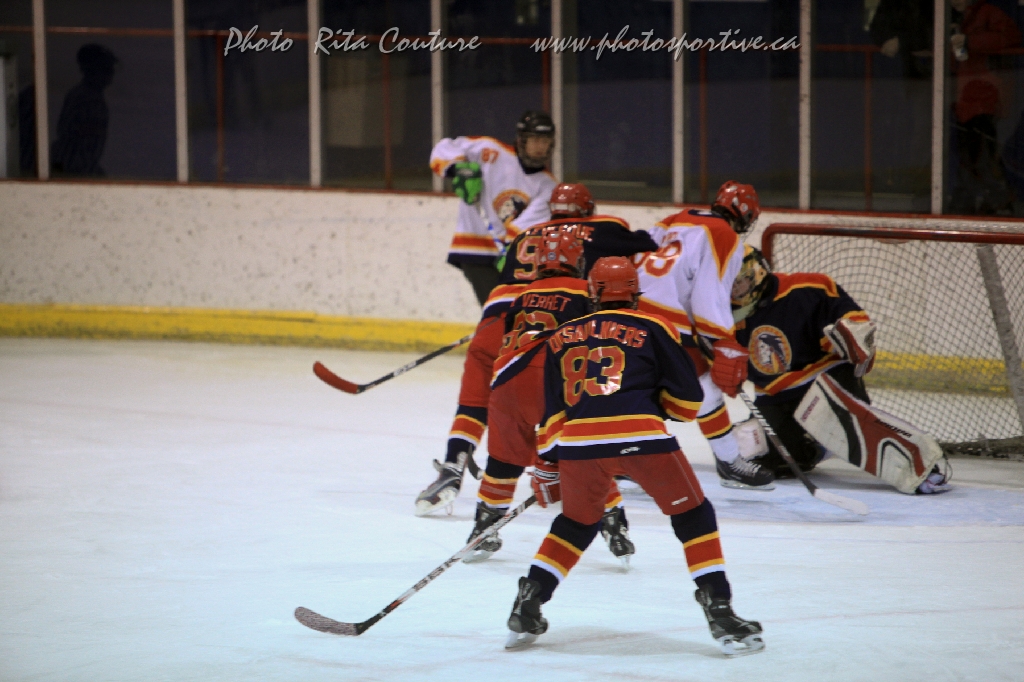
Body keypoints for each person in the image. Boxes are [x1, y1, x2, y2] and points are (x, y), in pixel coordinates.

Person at [505, 257, 765, 656]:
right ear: (634, 292)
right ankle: (718, 605)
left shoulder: (559, 337)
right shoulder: (655, 326)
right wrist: (658, 407)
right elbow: (689, 400)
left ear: (593, 293)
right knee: (694, 515)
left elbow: (554, 412)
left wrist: (549, 464)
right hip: (641, 438)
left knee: (576, 523)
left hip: (578, 445)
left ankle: (530, 597)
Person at [415, 183, 657, 521]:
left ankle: (453, 464)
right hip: (551, 319)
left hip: (501, 316)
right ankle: (568, 465)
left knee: (475, 400)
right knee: (558, 397)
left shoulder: (524, 234)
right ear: (587, 208)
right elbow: (650, 246)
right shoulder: (604, 227)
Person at [463, 224, 640, 565]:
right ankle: (614, 524)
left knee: (503, 461)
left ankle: (484, 526)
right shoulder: (584, 290)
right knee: (588, 455)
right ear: (578, 261)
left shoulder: (522, 294)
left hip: (506, 384)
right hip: (553, 383)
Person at [730, 246, 950, 494]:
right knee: (749, 448)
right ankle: (818, 448)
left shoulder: (808, 289)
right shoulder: (721, 311)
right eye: (727, 284)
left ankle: (920, 466)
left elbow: (856, 326)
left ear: (758, 273)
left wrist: (855, 337)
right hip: (773, 396)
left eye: (739, 282)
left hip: (823, 383)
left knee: (833, 417)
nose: (733, 291)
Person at [636, 181, 775, 491]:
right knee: (706, 389)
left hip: (633, 309)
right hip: (667, 320)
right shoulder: (725, 235)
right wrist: (723, 341)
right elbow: (709, 292)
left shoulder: (677, 217)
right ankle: (730, 462)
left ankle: (620, 460)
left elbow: (642, 250)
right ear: (746, 216)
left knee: (635, 387)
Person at [429, 111, 558, 305]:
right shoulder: (489, 151)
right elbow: (443, 148)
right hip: (475, 247)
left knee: (511, 313)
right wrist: (458, 169)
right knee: (497, 310)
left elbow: (525, 227)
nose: (540, 147)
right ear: (521, 140)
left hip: (510, 258)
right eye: (535, 140)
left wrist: (512, 253)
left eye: (545, 141)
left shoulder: (549, 186)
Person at [948, 0, 1020, 215]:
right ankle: (971, 199)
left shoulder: (988, 13)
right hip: (963, 95)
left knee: (982, 154)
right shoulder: (950, 18)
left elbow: (1010, 37)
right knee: (967, 153)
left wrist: (970, 41)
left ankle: (997, 200)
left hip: (985, 96)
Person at [51, 44, 117, 177]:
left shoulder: (92, 97)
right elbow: (67, 134)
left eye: (110, 70)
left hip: (78, 168)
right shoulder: (84, 98)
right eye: (105, 69)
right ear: (91, 70)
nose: (110, 75)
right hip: (71, 170)